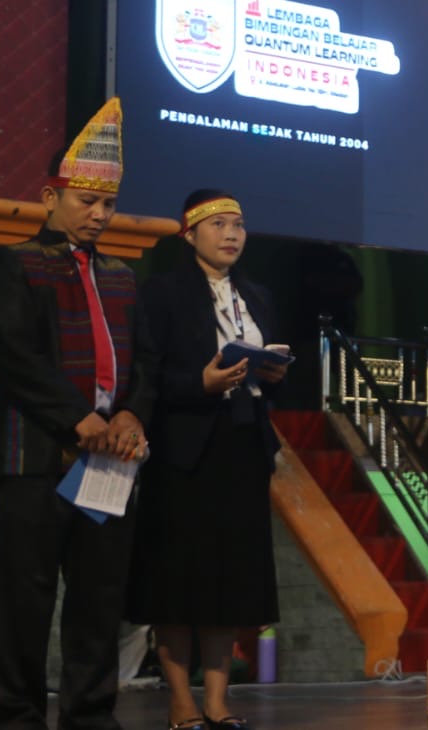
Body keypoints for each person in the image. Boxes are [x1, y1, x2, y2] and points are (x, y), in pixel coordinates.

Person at [0, 97, 156, 730]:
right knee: (23, 600)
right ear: (50, 197)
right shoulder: (17, 262)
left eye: (108, 204)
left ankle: (90, 716)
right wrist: (80, 418)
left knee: (99, 599)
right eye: (87, 201)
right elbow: (11, 352)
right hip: (34, 459)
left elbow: (147, 362)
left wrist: (131, 415)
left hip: (109, 465)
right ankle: (16, 718)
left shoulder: (123, 277)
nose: (99, 214)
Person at [126, 191, 285, 730]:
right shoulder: (164, 292)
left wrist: (273, 374)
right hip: (184, 451)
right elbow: (148, 373)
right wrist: (201, 382)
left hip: (243, 447)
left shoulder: (256, 295)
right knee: (178, 578)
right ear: (189, 234)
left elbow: (266, 374)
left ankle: (217, 703)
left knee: (230, 579)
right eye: (218, 224)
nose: (231, 234)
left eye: (238, 224)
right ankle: (180, 702)